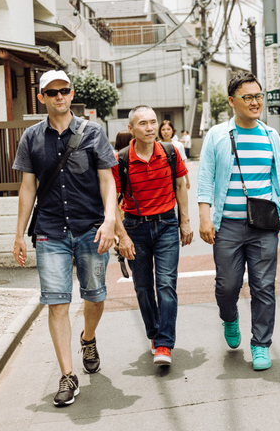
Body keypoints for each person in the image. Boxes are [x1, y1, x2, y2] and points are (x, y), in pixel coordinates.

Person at [12, 70, 118, 407]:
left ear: (72, 95)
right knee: (57, 302)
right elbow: (28, 187)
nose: (59, 96)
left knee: (95, 295)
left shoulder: (93, 133)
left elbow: (108, 181)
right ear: (41, 97)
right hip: (50, 231)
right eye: (52, 92)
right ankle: (68, 375)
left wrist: (110, 221)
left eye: (65, 91)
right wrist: (18, 234)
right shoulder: (31, 137)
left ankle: (88, 337)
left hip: (90, 228)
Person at [197, 72, 280, 371]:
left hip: (263, 225)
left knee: (264, 286)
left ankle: (261, 344)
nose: (255, 102)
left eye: (258, 96)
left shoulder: (270, 135)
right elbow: (205, 177)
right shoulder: (216, 135)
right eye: (248, 97)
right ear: (232, 101)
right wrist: (204, 215)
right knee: (227, 286)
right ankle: (229, 317)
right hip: (226, 225)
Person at [114, 106, 192, 367]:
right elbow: (112, 201)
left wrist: (185, 222)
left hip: (167, 225)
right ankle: (154, 333)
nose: (149, 128)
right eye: (143, 123)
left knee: (166, 284)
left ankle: (164, 343)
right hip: (135, 228)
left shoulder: (170, 153)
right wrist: (121, 235)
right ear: (131, 129)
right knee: (143, 287)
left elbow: (181, 185)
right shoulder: (121, 160)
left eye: (153, 122)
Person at [159, 120, 190, 189]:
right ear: (160, 132)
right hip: (161, 181)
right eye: (163, 129)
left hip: (176, 179)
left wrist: (187, 180)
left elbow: (183, 165)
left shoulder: (179, 145)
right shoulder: (156, 145)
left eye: (168, 129)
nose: (166, 132)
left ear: (172, 131)